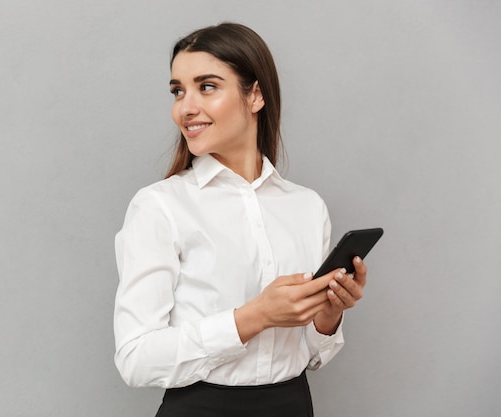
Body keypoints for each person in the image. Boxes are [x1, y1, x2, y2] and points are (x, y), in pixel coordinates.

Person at [113, 22, 367, 417]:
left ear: (256, 96)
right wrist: (254, 317)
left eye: (207, 86)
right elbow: (136, 359)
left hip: (292, 405)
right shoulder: (160, 206)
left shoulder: (307, 206)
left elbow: (314, 355)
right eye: (178, 90)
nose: (186, 107)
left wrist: (329, 315)